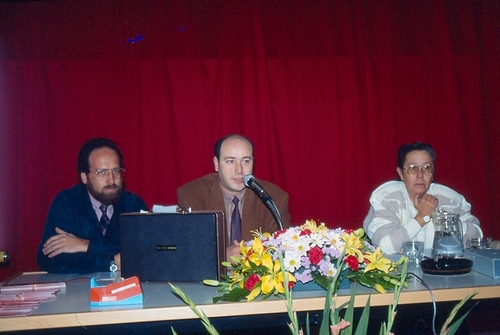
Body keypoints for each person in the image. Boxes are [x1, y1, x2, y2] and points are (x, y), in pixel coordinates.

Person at [37, 138, 148, 273]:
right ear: (85, 177)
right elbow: (50, 260)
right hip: (78, 292)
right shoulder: (66, 202)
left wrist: (85, 245)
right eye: (102, 172)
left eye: (116, 171)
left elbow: (146, 253)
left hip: (127, 290)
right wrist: (111, 263)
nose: (111, 180)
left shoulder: (133, 204)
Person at [177, 134, 291, 259]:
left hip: (258, 277)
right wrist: (221, 257)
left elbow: (281, 252)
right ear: (216, 163)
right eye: (230, 161)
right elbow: (187, 251)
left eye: (246, 161)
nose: (239, 170)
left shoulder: (273, 198)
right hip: (210, 277)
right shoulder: (192, 196)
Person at [363, 142, 481, 254]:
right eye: (412, 168)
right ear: (401, 173)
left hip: (444, 271)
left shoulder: (450, 199)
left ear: (432, 173)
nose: (420, 175)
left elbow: (476, 238)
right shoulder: (386, 197)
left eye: (426, 168)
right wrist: (422, 217)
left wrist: (442, 220)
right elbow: (386, 246)